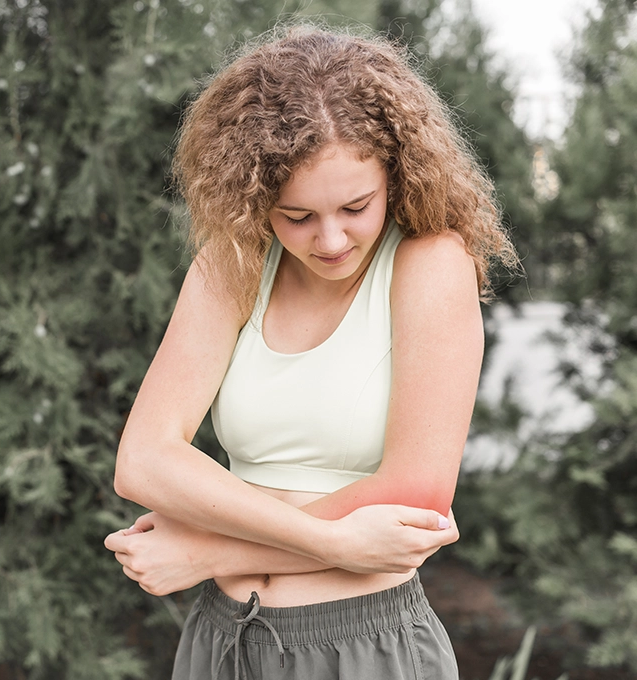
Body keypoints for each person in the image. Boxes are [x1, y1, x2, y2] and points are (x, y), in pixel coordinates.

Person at [103, 24, 519, 680]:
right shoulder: (234, 264)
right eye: (297, 216)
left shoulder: (430, 265)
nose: (329, 240)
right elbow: (144, 461)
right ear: (257, 197)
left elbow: (414, 506)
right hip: (222, 643)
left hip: (363, 646)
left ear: (395, 174)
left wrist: (210, 553)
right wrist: (331, 541)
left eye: (356, 206)